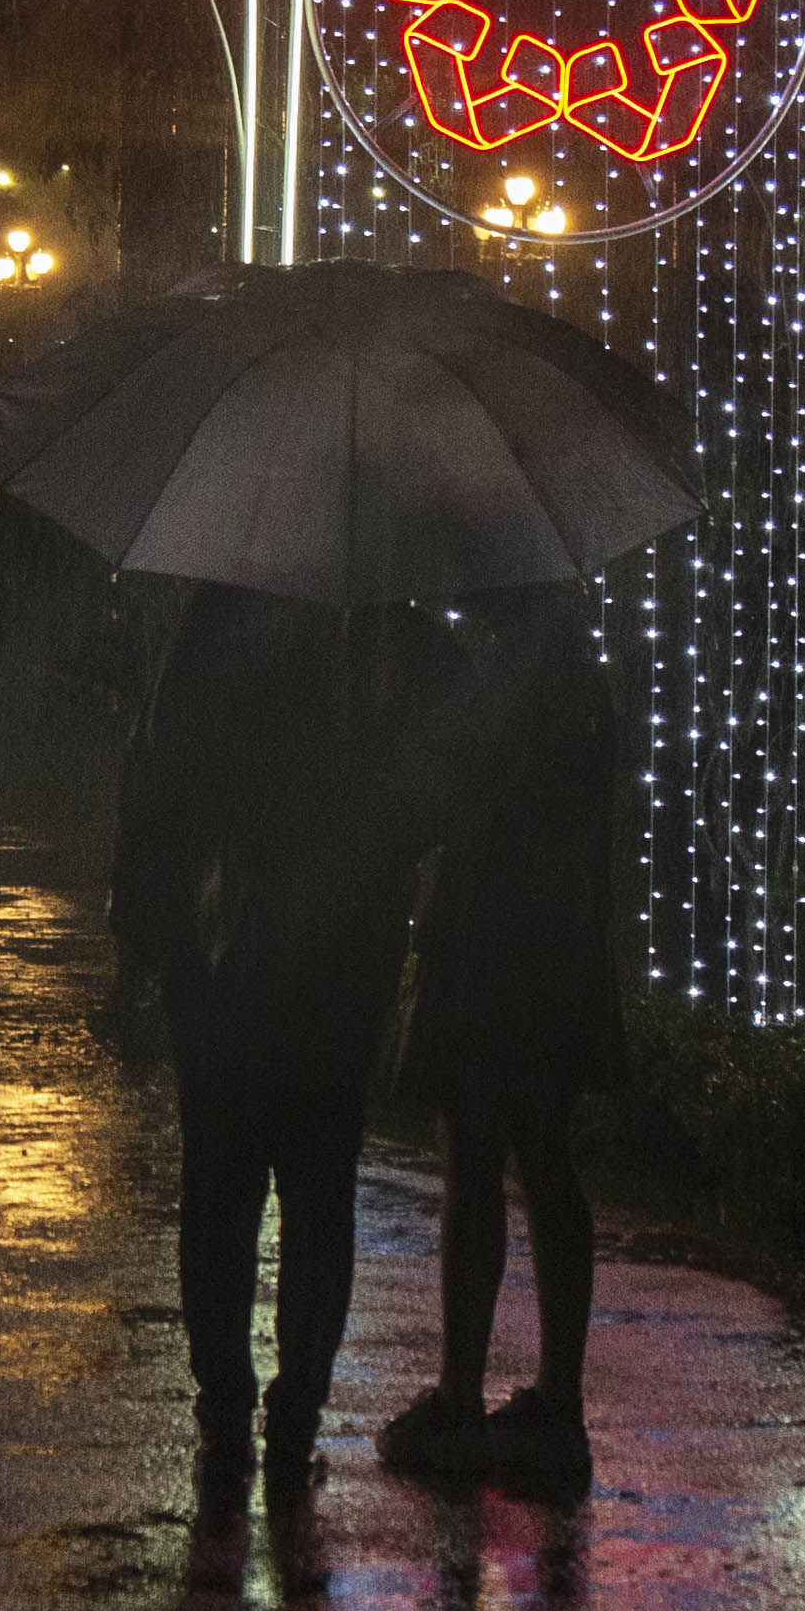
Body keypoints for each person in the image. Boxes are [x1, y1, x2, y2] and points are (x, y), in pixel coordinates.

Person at [129, 583, 464, 1502]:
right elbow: (427, 797)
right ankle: (289, 1418)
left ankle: (231, 1415)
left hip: (231, 951)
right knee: (315, 1191)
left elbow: (166, 771)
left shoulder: (230, 608)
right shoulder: (390, 634)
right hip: (335, 963)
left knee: (224, 1188)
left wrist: (158, 934)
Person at [373, 584, 629, 1500]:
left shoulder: (509, 685)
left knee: (475, 1157)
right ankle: (557, 1401)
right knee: (543, 1157)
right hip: (556, 946)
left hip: (490, 944)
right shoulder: (581, 683)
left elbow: (446, 802)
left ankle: (462, 1396)